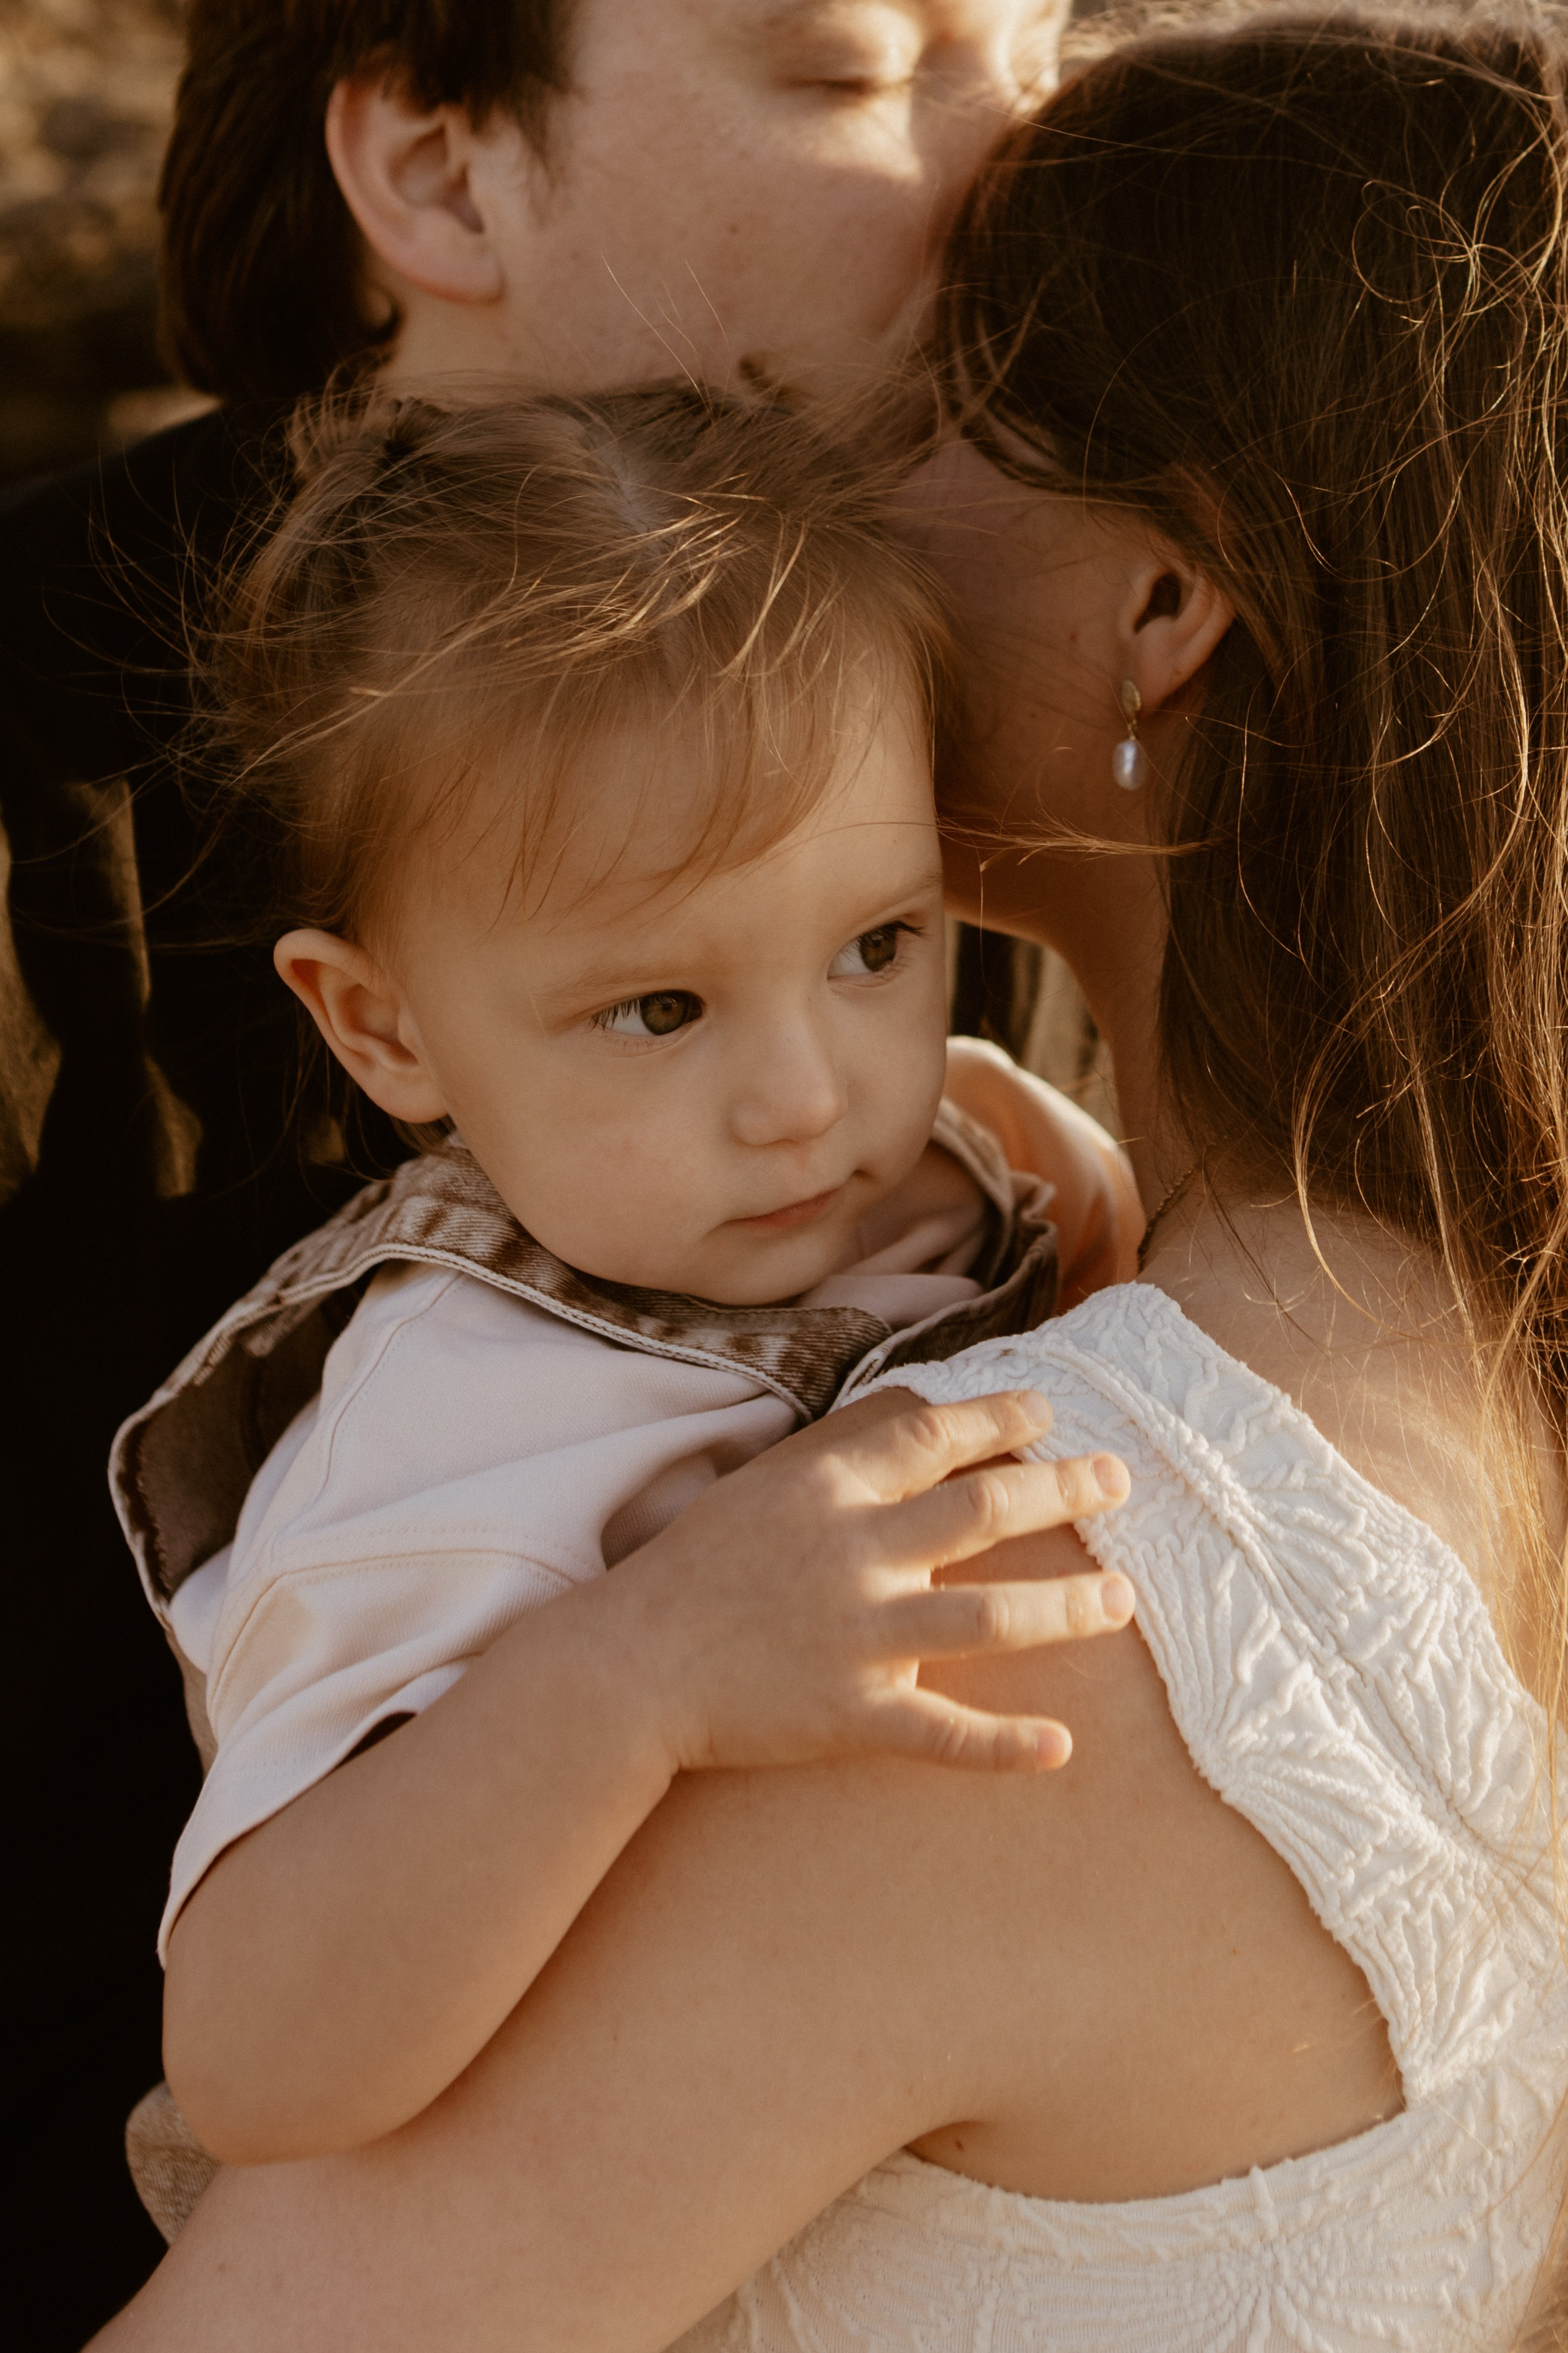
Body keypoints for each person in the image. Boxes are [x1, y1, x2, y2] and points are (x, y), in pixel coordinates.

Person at [89, 7, 1568, 2347]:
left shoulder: (993, 1597)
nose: (820, 536)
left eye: (911, 427)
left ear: (1161, 607)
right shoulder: (1440, 1303)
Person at [0, 6, 1068, 2333]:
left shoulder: (1010, 712)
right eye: (858, 67)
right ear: (439, 168)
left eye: (1053, 37)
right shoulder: (435, 1414)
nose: (1034, 143)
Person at [114, 384, 1139, 2178]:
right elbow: (252, 2058)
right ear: (384, 1027)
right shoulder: (453, 1429)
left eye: (874, 946)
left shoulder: (984, 1143)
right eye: (660, 1008)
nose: (806, 1097)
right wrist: (635, 1677)